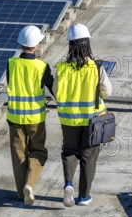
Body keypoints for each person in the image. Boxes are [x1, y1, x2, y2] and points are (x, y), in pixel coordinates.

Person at [53, 23, 112, 207]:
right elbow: (107, 92)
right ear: (88, 44)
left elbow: (56, 92)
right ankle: (84, 196)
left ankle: (68, 183)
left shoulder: (62, 68)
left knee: (69, 152)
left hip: (69, 120)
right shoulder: (96, 68)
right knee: (88, 156)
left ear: (70, 44)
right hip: (92, 121)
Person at [6, 25, 54, 205]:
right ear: (36, 45)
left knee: (19, 154)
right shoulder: (42, 66)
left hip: (15, 118)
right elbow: (53, 89)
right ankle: (30, 184)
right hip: (35, 119)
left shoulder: (11, 64)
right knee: (39, 151)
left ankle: (21, 193)